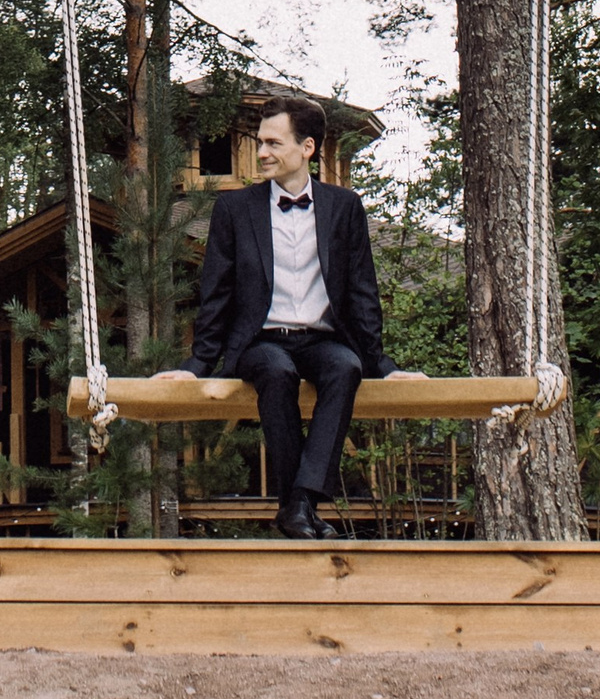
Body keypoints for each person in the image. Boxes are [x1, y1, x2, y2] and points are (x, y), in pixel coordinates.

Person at [154, 95, 425, 539]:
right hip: (261, 342)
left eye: (274, 143)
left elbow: (362, 295)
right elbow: (216, 296)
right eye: (260, 143)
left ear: (308, 149)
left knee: (346, 367)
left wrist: (384, 367)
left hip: (322, 338)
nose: (262, 153)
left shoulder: (344, 208)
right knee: (276, 373)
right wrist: (196, 366)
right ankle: (298, 505)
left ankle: (298, 505)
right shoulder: (235, 210)